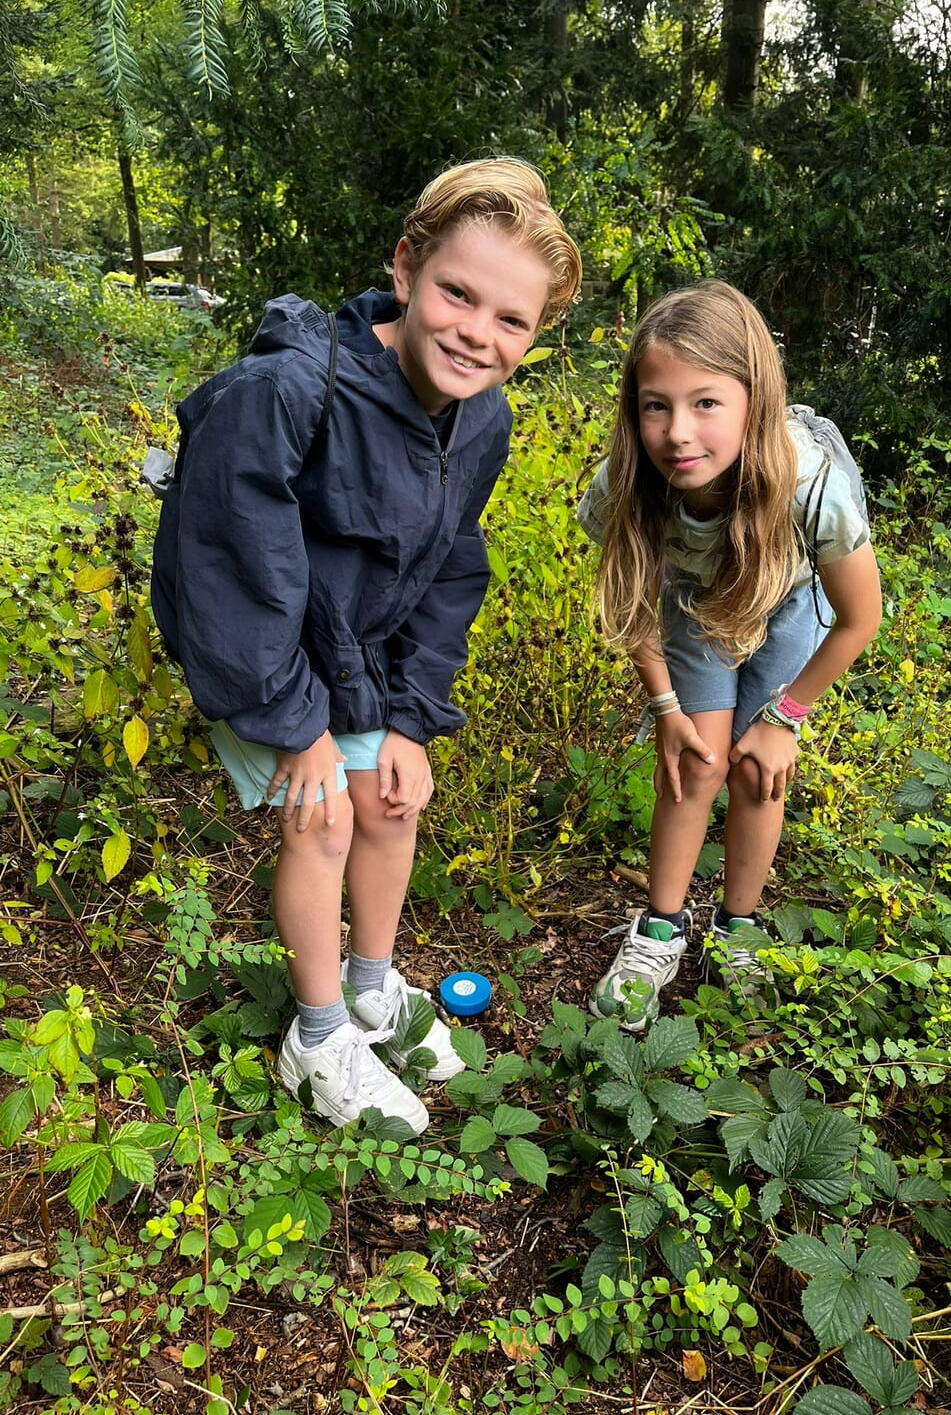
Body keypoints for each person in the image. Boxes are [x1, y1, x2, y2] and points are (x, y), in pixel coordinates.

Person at [152, 159, 582, 1129]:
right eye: (458, 294)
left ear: (536, 333)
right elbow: (232, 562)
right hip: (258, 640)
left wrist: (410, 719)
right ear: (405, 269)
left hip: (360, 644)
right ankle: (315, 1038)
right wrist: (301, 728)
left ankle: (374, 988)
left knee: (390, 796)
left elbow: (450, 566)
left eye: (512, 320)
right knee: (327, 816)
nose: (478, 332)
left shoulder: (483, 421)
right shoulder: (292, 390)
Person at [577, 280, 882, 1033]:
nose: (678, 432)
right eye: (657, 404)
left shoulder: (813, 488)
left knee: (756, 767)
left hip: (791, 599)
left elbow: (859, 619)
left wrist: (785, 717)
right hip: (692, 598)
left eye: (706, 402)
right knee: (693, 763)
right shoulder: (628, 482)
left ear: (755, 399)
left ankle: (737, 927)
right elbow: (629, 602)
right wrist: (666, 708)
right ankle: (658, 931)